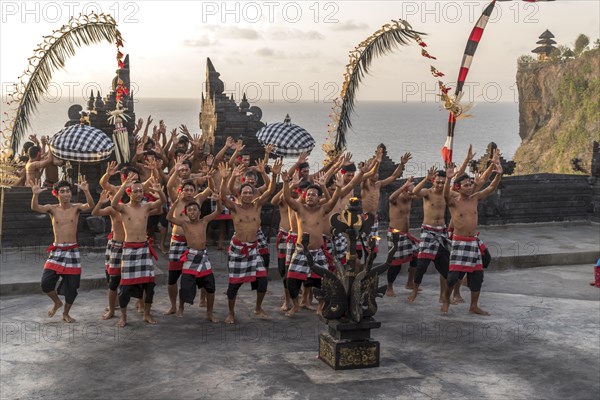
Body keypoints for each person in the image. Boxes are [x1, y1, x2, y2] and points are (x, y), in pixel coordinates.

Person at [219, 159, 282, 324]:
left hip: (254, 248)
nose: (247, 195)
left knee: (262, 281)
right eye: (244, 192)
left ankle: (258, 308)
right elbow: (222, 197)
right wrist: (227, 178)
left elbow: (270, 190)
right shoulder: (234, 207)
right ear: (239, 195)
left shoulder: (257, 205)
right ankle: (231, 313)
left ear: (253, 194)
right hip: (238, 249)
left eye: (250, 192)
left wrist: (273, 175)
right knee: (234, 285)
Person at [442, 153, 503, 315]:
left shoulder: (475, 198)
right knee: (454, 276)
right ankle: (447, 298)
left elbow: (491, 188)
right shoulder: (454, 202)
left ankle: (473, 306)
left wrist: (499, 172)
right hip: (459, 242)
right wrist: (448, 178)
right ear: (458, 187)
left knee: (477, 275)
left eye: (470, 184)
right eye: (466, 185)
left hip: (473, 242)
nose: (469, 187)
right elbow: (445, 195)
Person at [31, 178, 95, 323]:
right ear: (57, 194)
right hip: (57, 251)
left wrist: (86, 190)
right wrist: (35, 194)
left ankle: (66, 313)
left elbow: (90, 205)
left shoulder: (76, 208)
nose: (66, 194)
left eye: (67, 191)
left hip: (72, 251)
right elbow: (35, 207)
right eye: (62, 191)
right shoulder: (52, 209)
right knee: (46, 283)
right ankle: (57, 302)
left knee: (72, 287)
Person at [283, 172, 343, 317]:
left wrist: (339, 187)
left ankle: (320, 306)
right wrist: (286, 183)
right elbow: (286, 198)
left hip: (318, 252)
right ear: (304, 196)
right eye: (308, 194)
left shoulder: (323, 210)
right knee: (291, 279)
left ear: (318, 198)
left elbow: (333, 201)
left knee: (321, 281)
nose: (310, 196)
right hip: (301, 251)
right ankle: (296, 305)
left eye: (313, 194)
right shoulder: (299, 208)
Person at [111, 175, 166, 327]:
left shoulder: (146, 207)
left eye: (141, 191)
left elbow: (163, 202)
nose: (138, 194)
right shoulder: (124, 208)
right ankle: (123, 316)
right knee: (125, 286)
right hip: (129, 249)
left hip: (143, 248)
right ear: (129, 193)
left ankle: (147, 314)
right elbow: (113, 203)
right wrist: (122, 186)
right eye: (135, 191)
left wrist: (159, 191)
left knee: (149, 285)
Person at [167, 195, 222, 322]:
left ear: (199, 212)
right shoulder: (184, 224)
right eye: (189, 210)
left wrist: (218, 200)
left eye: (194, 209)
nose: (192, 212)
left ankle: (209, 313)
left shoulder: (204, 221)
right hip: (191, 256)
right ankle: (180, 307)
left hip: (203, 256)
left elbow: (218, 211)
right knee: (185, 285)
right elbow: (168, 217)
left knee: (210, 286)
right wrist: (175, 203)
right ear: (186, 213)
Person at [164, 179, 212, 316]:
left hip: (195, 245)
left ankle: (202, 299)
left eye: (192, 190)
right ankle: (174, 306)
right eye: (186, 190)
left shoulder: (198, 199)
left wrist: (209, 175)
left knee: (203, 273)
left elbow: (211, 188)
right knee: (173, 277)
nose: (189, 192)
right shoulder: (176, 200)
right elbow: (168, 185)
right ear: (181, 190)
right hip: (177, 243)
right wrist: (177, 168)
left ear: (195, 191)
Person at [407, 166, 451, 305]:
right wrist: (425, 178)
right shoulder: (427, 193)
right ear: (433, 181)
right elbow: (414, 191)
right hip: (428, 231)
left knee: (445, 268)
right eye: (437, 182)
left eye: (442, 183)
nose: (439, 185)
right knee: (421, 266)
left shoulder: (446, 194)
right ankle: (414, 291)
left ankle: (443, 295)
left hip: (442, 232)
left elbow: (465, 193)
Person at [92, 190, 125, 320]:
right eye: (112, 195)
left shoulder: (130, 208)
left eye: (117, 195)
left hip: (131, 245)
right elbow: (95, 213)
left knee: (135, 278)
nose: (114, 198)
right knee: (113, 277)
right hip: (115, 245)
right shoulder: (112, 209)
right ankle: (112, 307)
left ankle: (140, 303)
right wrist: (100, 202)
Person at [386, 176, 420, 296]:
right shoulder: (396, 199)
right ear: (404, 190)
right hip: (395, 234)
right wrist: (404, 185)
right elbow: (390, 197)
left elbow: (421, 195)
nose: (412, 195)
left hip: (407, 235)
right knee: (396, 263)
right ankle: (389, 287)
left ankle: (410, 282)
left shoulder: (409, 198)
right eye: (410, 192)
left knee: (415, 257)